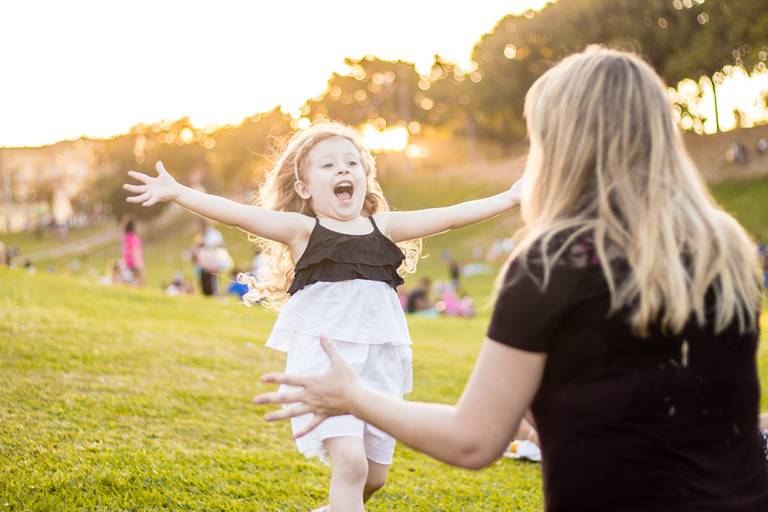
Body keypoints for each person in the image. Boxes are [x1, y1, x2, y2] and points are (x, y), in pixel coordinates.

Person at [254, 47, 768, 511]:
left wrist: (353, 396)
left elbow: (472, 442)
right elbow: (656, 402)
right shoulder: (725, 247)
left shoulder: (555, 262)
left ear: (562, 144)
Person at [124, 121, 523, 512]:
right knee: (351, 463)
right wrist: (178, 193)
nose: (342, 170)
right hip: (325, 361)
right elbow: (235, 214)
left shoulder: (385, 227)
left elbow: (452, 215)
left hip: (380, 361)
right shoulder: (302, 230)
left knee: (374, 476)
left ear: (366, 178)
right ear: (304, 187)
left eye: (351, 163)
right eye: (328, 165)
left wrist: (509, 198)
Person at [121, 217, 144, 285]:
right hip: (134, 260)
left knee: (132, 278)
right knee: (140, 279)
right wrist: (139, 263)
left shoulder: (126, 236)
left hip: (127, 260)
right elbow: (134, 250)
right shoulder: (134, 237)